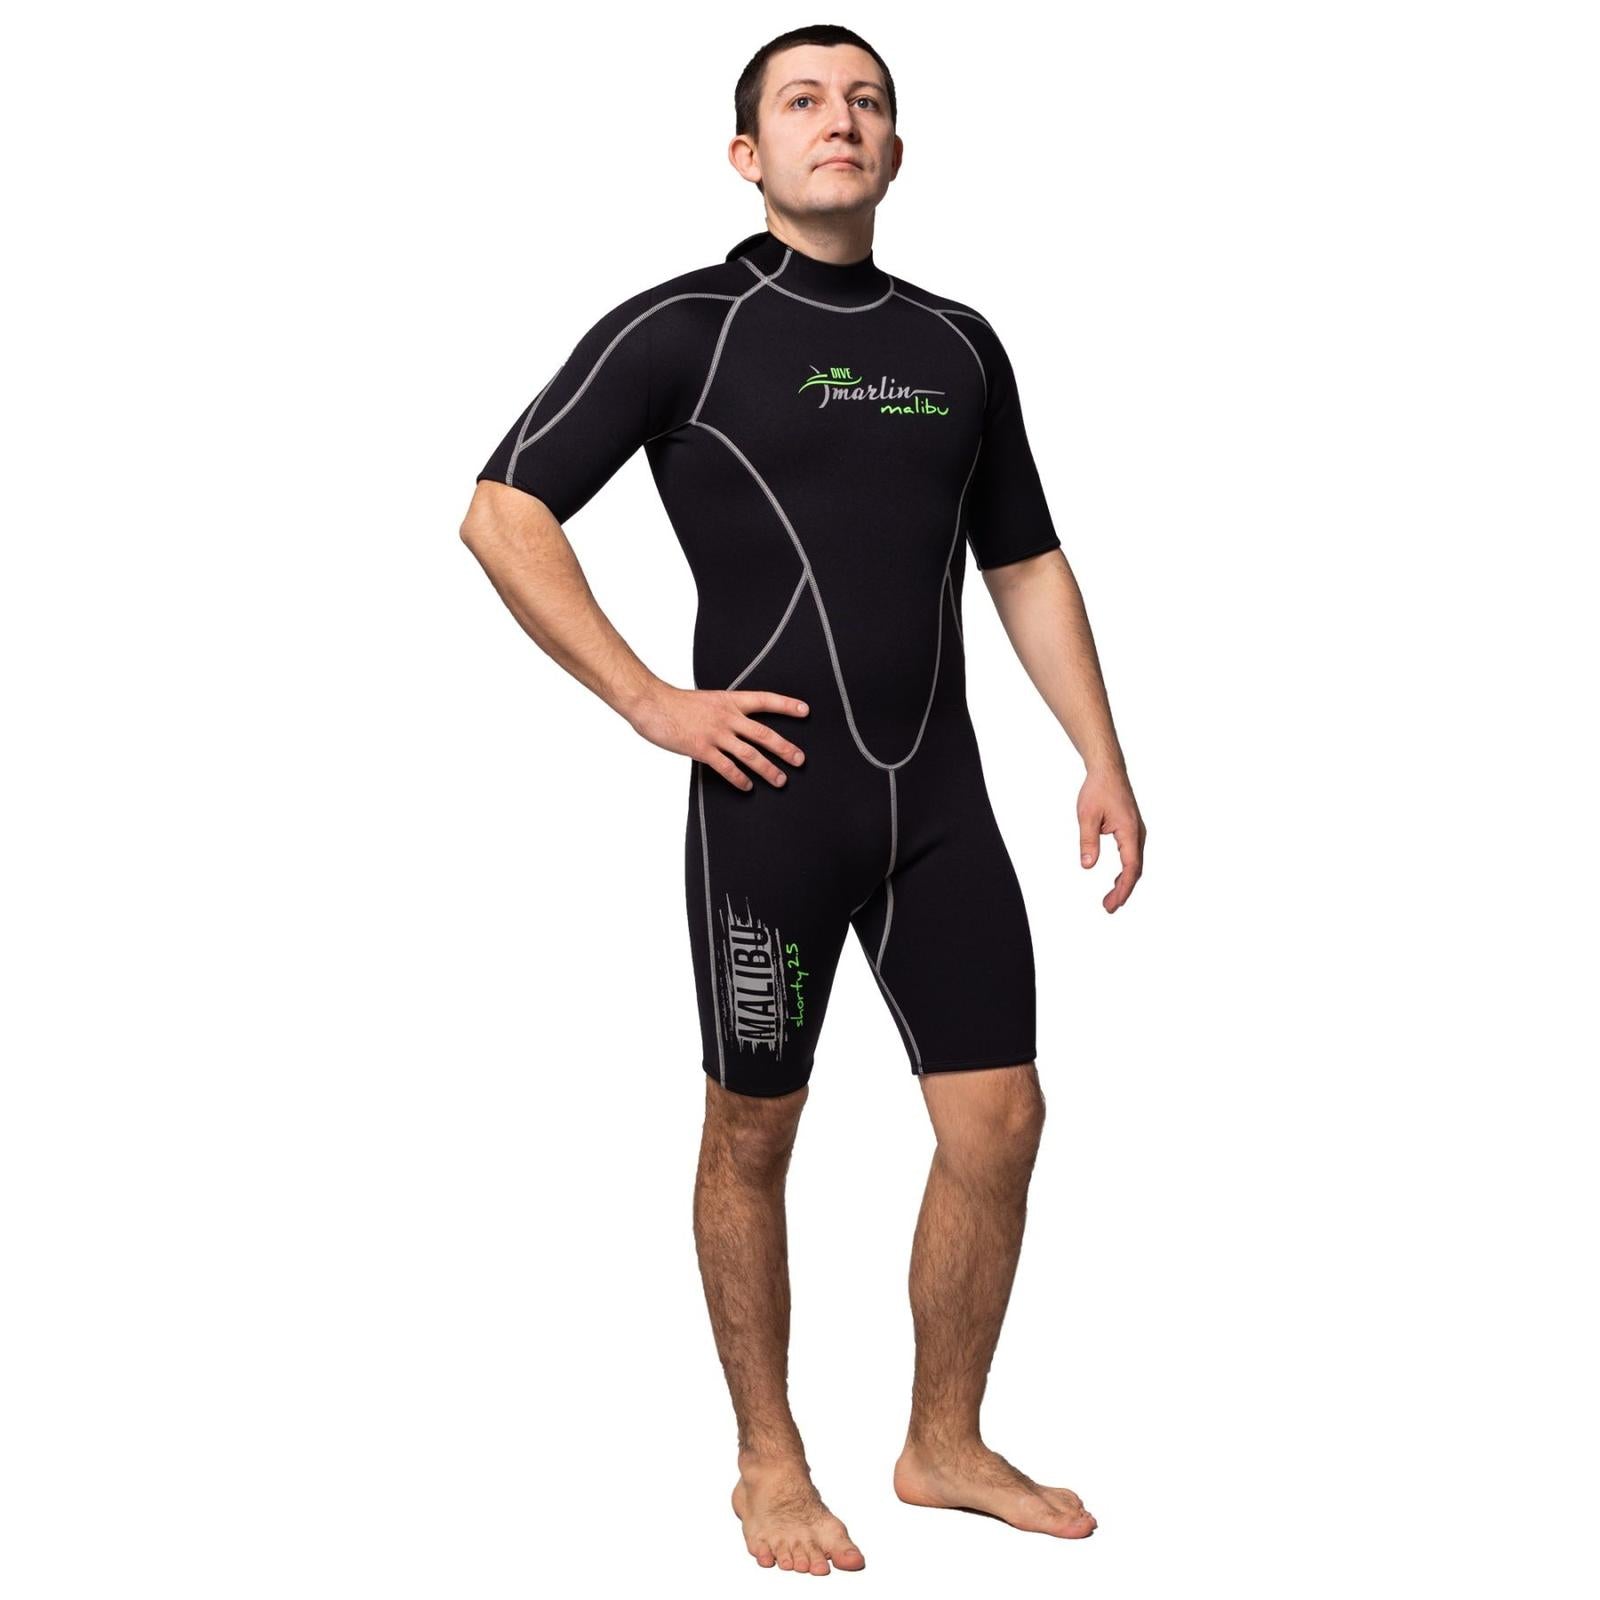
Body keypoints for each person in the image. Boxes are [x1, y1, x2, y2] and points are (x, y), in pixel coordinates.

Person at [460, 24, 1144, 1576]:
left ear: (896, 152)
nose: (842, 119)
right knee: (753, 1131)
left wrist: (1100, 753)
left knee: (1001, 1122)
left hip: (940, 808)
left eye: (868, 102)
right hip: (771, 810)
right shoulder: (685, 330)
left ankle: (943, 1440)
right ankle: (767, 1460)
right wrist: (652, 701)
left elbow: (1025, 563)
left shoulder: (960, 345)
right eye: (804, 101)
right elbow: (503, 512)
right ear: (747, 154)